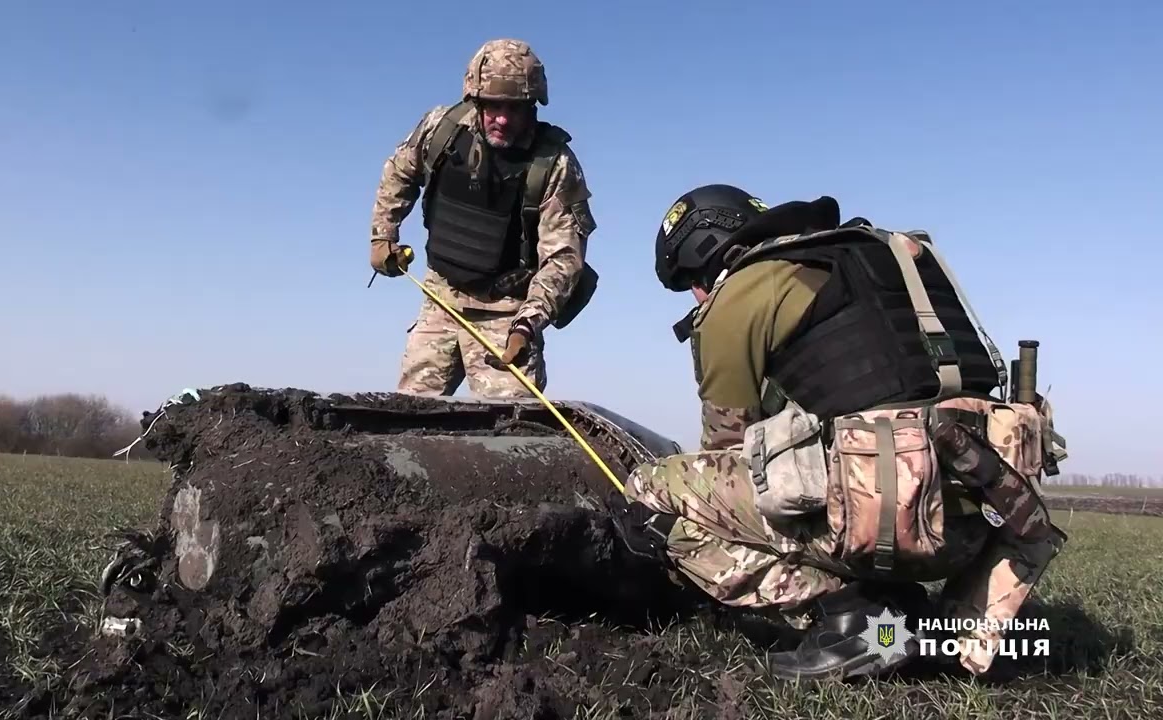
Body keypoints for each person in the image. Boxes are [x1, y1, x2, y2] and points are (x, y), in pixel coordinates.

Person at [608, 183, 1070, 680]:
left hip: (889, 527)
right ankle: (903, 620)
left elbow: (727, 447)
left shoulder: (738, 293)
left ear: (704, 254)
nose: (697, 296)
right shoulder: (884, 257)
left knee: (653, 492)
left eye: (690, 282)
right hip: (978, 529)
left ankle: (857, 617)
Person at [368, 39, 598, 398]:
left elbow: (563, 259)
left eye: (515, 108)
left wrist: (527, 325)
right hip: (441, 299)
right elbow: (399, 172)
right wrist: (383, 235)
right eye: (492, 106)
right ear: (475, 99)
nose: (502, 118)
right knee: (408, 416)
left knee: (515, 431)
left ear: (532, 106)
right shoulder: (441, 129)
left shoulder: (554, 164)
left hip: (507, 314)